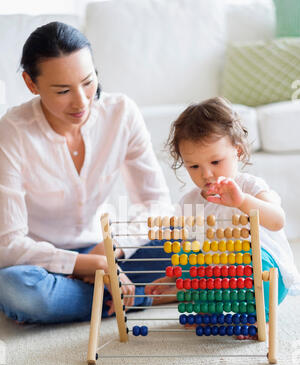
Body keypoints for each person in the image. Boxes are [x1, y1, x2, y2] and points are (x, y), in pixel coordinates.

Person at [0, 22, 172, 324]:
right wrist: (83, 265)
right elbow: (9, 245)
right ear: (31, 83)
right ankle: (142, 297)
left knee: (191, 248)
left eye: (88, 82)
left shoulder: (121, 113)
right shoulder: (12, 132)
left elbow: (156, 205)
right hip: (39, 262)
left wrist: (109, 250)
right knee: (19, 289)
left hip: (106, 248)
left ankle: (88, 297)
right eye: (63, 90)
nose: (82, 101)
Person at [145, 97, 300, 337]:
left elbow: (277, 220)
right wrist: (170, 277)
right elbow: (189, 250)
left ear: (237, 150)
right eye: (193, 167)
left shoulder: (249, 186)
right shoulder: (190, 202)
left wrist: (242, 202)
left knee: (253, 262)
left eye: (216, 161)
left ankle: (262, 317)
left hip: (261, 278)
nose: (206, 174)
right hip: (220, 282)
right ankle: (209, 311)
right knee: (186, 256)